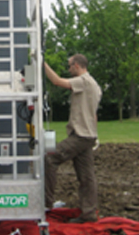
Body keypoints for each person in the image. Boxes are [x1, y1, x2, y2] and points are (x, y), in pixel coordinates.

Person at [44, 54, 102, 223]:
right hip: (88, 136)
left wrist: (41, 62)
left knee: (50, 158)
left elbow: (57, 81)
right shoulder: (95, 85)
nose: (68, 69)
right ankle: (89, 214)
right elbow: (94, 115)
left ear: (77, 65)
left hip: (81, 136)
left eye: (69, 66)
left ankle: (46, 203)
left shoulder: (83, 81)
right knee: (86, 177)